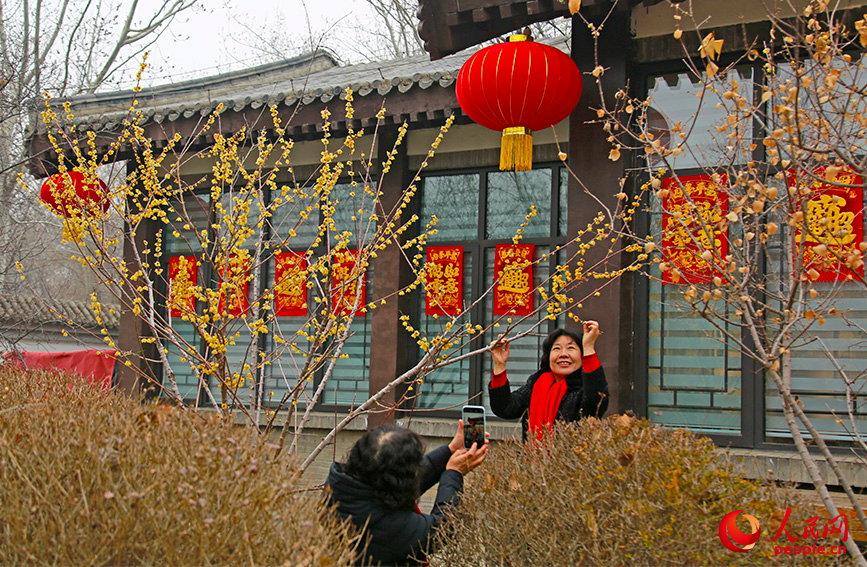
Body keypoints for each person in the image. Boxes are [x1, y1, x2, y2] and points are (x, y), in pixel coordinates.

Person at [324, 421, 488, 566]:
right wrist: (454, 473)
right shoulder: (392, 529)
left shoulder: (340, 487)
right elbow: (443, 528)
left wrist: (449, 450)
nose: (417, 472)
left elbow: (396, 482)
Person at [489, 321, 608, 441]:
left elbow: (596, 402)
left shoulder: (584, 387)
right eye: (556, 348)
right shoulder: (536, 383)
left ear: (582, 356)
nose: (563, 354)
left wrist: (588, 346)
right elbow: (505, 408)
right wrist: (499, 365)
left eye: (571, 348)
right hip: (532, 459)